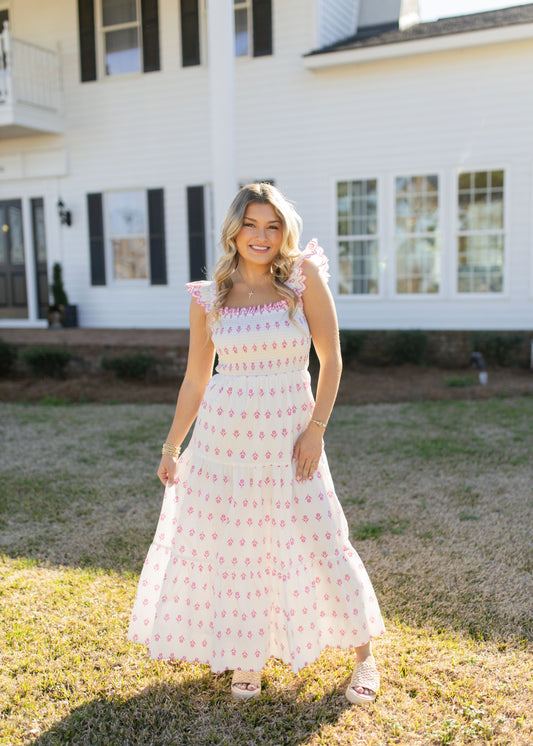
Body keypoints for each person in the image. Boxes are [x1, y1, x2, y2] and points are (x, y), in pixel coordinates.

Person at [128, 183, 385, 703]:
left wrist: (316, 428)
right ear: (234, 230)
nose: (262, 236)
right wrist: (171, 447)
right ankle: (246, 658)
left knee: (321, 537)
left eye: (272, 226)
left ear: (284, 230)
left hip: (292, 436)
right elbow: (196, 380)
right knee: (239, 546)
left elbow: (331, 359)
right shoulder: (210, 296)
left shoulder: (301, 278)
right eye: (251, 225)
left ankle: (364, 657)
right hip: (227, 442)